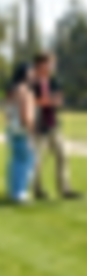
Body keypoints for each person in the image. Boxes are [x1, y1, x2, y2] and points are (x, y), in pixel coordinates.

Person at [30, 52, 81, 200]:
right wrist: (46, 101)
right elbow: (28, 101)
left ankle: (65, 189)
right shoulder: (31, 81)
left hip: (53, 124)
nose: (53, 66)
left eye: (54, 63)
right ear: (40, 64)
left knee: (63, 156)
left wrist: (57, 101)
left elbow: (58, 99)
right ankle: (37, 190)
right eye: (50, 63)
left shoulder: (53, 81)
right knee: (37, 160)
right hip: (38, 125)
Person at [6, 63, 37, 204]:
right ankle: (20, 192)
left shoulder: (12, 90)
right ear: (25, 74)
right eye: (31, 72)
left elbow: (7, 114)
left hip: (12, 129)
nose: (33, 74)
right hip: (22, 130)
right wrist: (31, 131)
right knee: (26, 162)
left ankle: (13, 191)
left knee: (15, 161)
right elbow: (26, 115)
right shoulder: (25, 91)